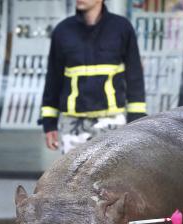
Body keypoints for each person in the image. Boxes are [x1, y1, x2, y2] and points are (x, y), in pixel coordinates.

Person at [39, 0, 146, 153]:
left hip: (112, 121)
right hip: (73, 124)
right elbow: (53, 80)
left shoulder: (121, 28)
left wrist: (137, 121)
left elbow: (135, 78)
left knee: (113, 175)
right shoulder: (63, 31)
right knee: (73, 176)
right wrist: (49, 124)